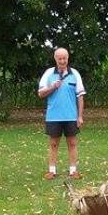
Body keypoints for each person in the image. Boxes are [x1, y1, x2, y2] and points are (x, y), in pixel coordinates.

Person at [38, 47, 85, 179]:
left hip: (71, 116)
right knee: (53, 144)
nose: (62, 61)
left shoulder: (74, 73)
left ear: (68, 58)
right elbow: (41, 94)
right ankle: (52, 171)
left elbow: (80, 96)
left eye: (64, 58)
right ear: (55, 59)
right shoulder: (48, 73)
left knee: (72, 143)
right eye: (60, 58)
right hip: (53, 116)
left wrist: (80, 116)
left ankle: (73, 171)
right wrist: (53, 87)